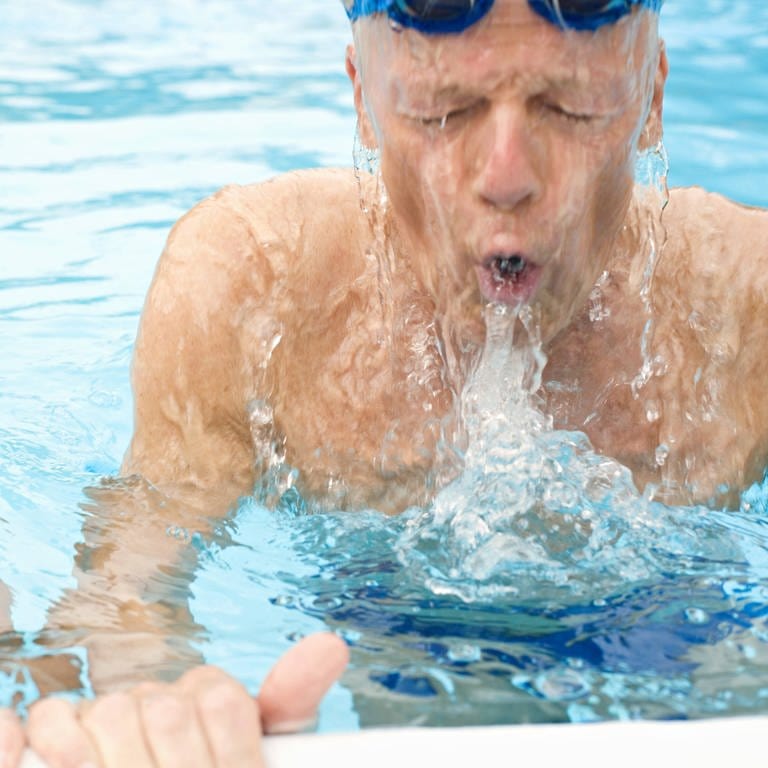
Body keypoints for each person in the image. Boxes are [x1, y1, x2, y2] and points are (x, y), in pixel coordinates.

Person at [4, 0, 768, 764]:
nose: (506, 178)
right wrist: (162, 709)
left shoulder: (747, 305)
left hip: (691, 622)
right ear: (365, 105)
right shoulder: (258, 283)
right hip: (385, 623)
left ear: (653, 98)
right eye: (443, 112)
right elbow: (132, 586)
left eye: (572, 109)